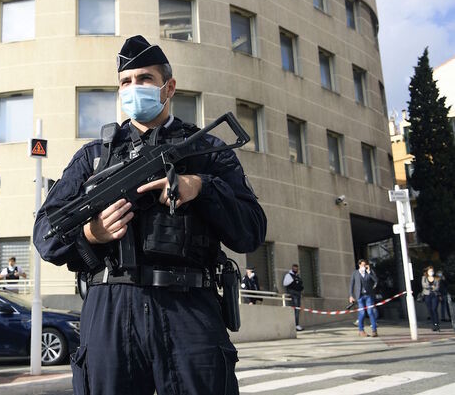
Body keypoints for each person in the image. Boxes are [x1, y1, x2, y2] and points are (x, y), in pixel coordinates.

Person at [33, 35, 266, 395]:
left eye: (144, 79)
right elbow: (46, 235)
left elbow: (251, 230)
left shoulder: (207, 150)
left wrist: (200, 187)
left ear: (168, 87)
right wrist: (91, 234)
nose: (134, 88)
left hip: (188, 305)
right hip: (111, 307)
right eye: (126, 81)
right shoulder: (94, 157)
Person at [349, 259, 379, 337]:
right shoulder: (355, 273)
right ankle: (361, 330)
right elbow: (351, 285)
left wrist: (369, 272)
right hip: (359, 296)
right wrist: (351, 295)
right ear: (359, 265)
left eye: (365, 265)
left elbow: (375, 280)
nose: (364, 266)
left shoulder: (369, 272)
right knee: (362, 313)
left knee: (370, 312)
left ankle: (374, 330)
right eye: (362, 265)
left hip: (368, 295)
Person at [283, 264, 304, 331]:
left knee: (297, 309)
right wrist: (294, 283)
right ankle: (295, 324)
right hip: (293, 294)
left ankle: (297, 324)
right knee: (296, 309)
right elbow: (285, 283)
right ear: (292, 268)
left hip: (298, 294)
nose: (296, 270)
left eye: (296, 269)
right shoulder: (289, 275)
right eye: (294, 269)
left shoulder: (297, 276)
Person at [421, 266, 441, 331]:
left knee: (434, 309)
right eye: (430, 271)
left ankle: (436, 324)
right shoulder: (424, 278)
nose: (431, 272)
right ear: (427, 272)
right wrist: (431, 286)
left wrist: (432, 287)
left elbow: (437, 287)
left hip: (435, 295)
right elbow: (424, 285)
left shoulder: (436, 278)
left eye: (432, 271)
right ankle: (433, 324)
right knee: (430, 310)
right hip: (427, 295)